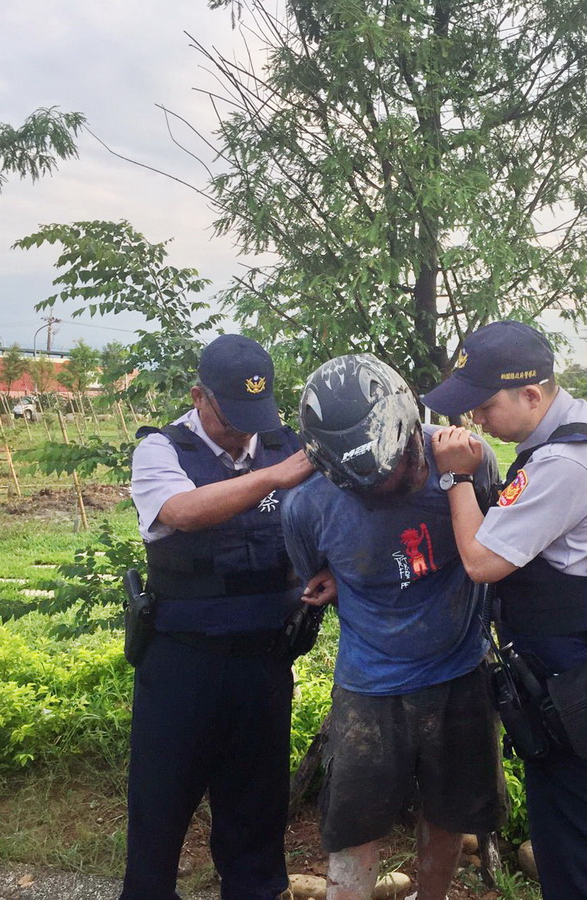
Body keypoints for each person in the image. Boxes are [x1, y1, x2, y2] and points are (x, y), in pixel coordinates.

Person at [424, 320, 587, 900]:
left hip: (582, 693)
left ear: (532, 395)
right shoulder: (584, 429)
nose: (475, 419)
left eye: (483, 406)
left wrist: (456, 476)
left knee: (576, 866)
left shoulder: (565, 463)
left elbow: (482, 561)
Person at [281, 353, 505, 900]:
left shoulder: (468, 462)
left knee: (450, 812)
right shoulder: (307, 506)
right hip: (370, 681)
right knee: (353, 823)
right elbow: (314, 568)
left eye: (394, 477)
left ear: (409, 435)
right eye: (363, 490)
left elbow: (500, 544)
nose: (382, 492)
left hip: (459, 670)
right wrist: (336, 572)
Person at [122, 333, 326, 900]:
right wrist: (271, 477)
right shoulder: (162, 449)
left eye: (254, 416)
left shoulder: (287, 443)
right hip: (182, 661)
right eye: (232, 415)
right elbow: (179, 512)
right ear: (199, 397)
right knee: (160, 807)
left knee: (257, 813)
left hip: (265, 660)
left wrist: (329, 569)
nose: (244, 429)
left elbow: (330, 515)